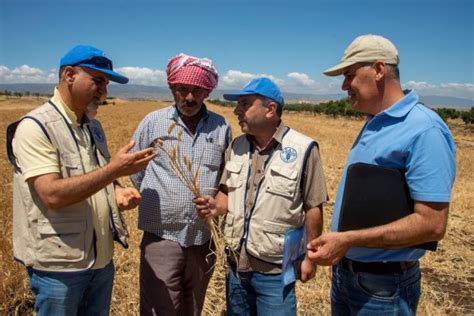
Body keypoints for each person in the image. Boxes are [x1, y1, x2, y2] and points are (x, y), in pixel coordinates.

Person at [306, 34, 456, 315]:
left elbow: (432, 224)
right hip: (350, 275)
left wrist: (348, 240)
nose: (343, 86)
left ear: (378, 70)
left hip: (384, 288)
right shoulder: (374, 121)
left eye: (349, 75)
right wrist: (345, 257)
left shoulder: (425, 130)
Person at [6, 44, 156, 316]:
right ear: (69, 76)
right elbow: (51, 194)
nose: (104, 91)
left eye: (106, 84)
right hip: (59, 267)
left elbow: (97, 176)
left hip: (100, 261)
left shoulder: (92, 127)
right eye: (97, 81)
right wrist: (114, 171)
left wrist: (116, 192)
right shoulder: (35, 127)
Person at [194, 77, 329, 315]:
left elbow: (313, 208)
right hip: (236, 266)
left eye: (245, 104)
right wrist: (216, 206)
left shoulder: (303, 149)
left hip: (275, 272)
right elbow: (226, 192)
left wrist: (310, 258)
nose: (237, 111)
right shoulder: (236, 146)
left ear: (270, 109)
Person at [130, 53, 232, 316]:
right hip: (161, 239)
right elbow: (135, 170)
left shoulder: (222, 127)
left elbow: (227, 179)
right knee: (158, 310)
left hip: (203, 240)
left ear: (207, 91)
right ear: (172, 88)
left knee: (193, 309)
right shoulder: (153, 122)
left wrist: (216, 205)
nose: (189, 97)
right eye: (182, 89)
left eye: (197, 90)